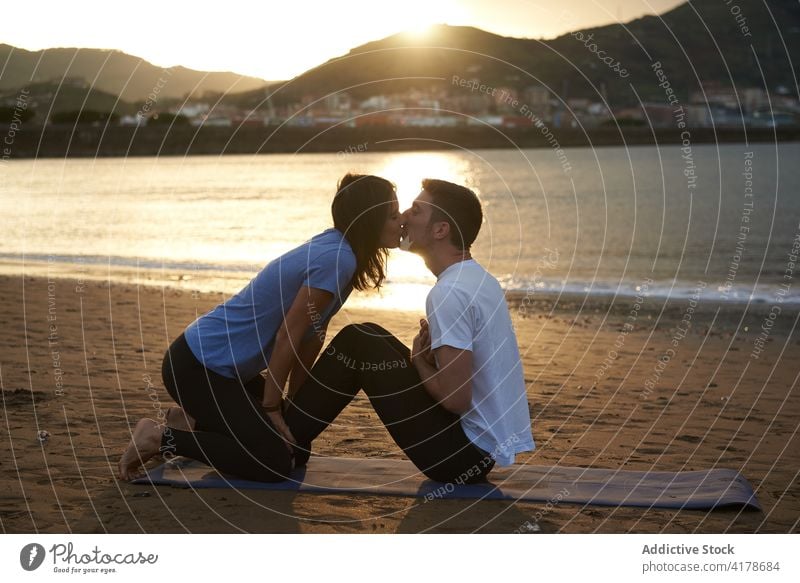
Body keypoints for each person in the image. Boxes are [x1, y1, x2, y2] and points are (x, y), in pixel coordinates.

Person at [118, 173, 403, 481]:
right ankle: (159, 438)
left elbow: (310, 339)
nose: (401, 221)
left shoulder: (342, 254)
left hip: (228, 373)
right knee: (273, 461)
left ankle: (187, 421)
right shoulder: (337, 258)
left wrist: (293, 405)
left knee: (297, 449)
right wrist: (271, 408)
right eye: (393, 215)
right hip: (197, 366)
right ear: (370, 219)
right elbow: (288, 335)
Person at [284, 178, 534, 483]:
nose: (404, 216)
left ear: (441, 230)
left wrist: (418, 361)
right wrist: (427, 363)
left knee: (358, 342)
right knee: (371, 335)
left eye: (416, 211)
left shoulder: (450, 292)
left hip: (458, 457)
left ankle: (282, 436)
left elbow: (456, 399)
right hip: (479, 452)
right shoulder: (478, 279)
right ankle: (290, 432)